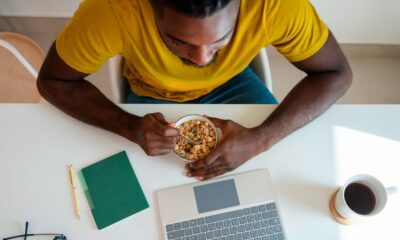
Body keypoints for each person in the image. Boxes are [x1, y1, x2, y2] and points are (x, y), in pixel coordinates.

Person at [37, 0, 352, 181]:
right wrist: (129, 125)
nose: (201, 60)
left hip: (234, 83)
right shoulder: (112, 11)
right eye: (178, 41)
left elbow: (336, 73)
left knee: (278, 172)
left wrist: (261, 139)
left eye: (219, 40)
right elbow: (52, 81)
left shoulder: (277, 6)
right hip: (150, 93)